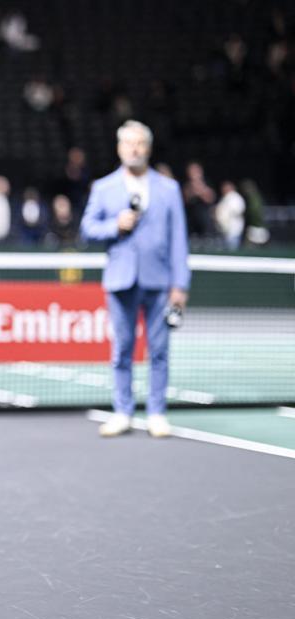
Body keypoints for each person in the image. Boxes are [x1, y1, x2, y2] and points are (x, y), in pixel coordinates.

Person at [80, 120, 189, 438]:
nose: (134, 149)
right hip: (120, 280)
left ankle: (156, 413)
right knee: (122, 351)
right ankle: (122, 412)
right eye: (129, 143)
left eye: (140, 143)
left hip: (159, 282)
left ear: (149, 148)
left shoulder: (169, 189)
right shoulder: (103, 188)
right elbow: (87, 228)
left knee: (159, 351)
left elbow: (179, 240)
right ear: (119, 148)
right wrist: (115, 225)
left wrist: (180, 284)